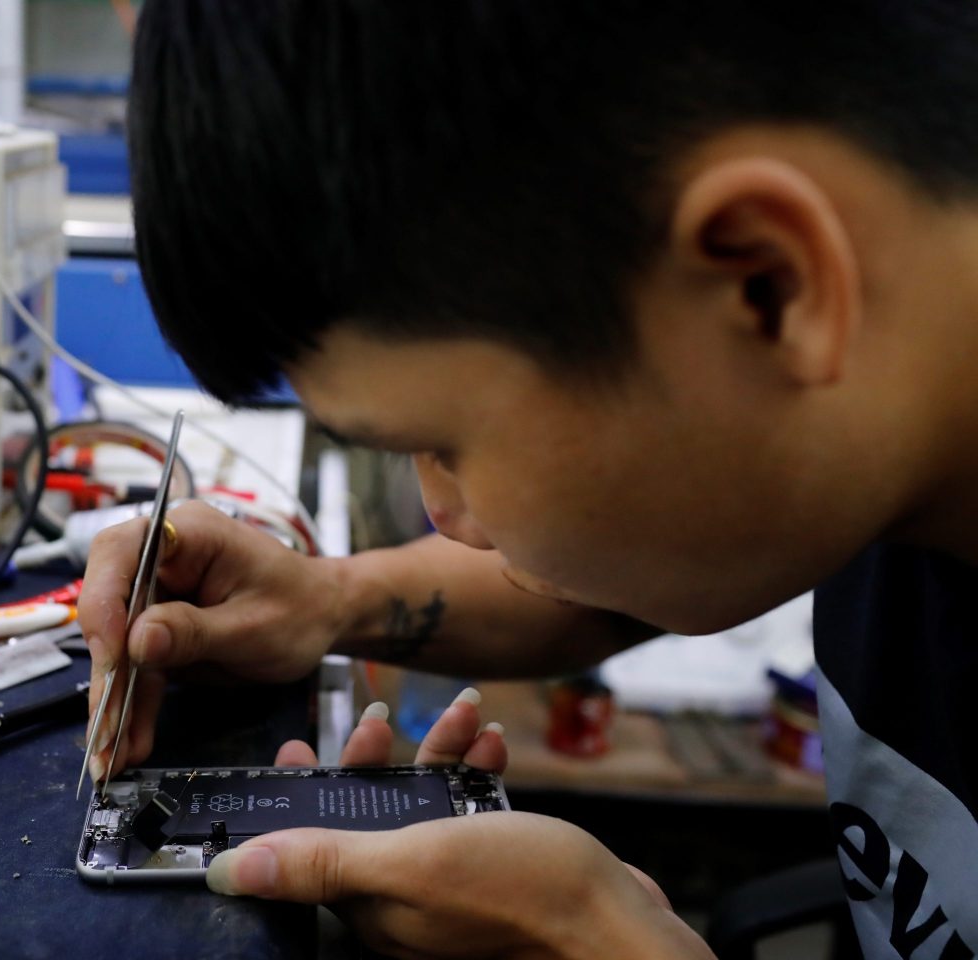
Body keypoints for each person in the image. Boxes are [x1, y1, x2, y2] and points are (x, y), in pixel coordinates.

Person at [79, 2, 978, 957]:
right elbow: (639, 564)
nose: (446, 517)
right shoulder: (883, 424)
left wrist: (611, 943)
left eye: (448, 443)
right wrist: (326, 600)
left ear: (769, 284)